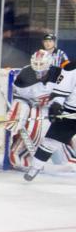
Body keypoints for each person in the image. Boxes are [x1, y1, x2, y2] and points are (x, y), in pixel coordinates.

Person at [3, 49, 62, 170]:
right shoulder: (25, 73)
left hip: (49, 109)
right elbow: (17, 96)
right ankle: (17, 153)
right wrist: (20, 112)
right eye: (36, 64)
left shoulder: (58, 74)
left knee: (44, 135)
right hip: (30, 105)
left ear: (49, 63)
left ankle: (27, 157)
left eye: (42, 64)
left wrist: (59, 106)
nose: (39, 68)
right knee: (31, 123)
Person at [23, 51, 76, 181]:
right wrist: (56, 106)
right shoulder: (71, 68)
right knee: (51, 142)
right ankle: (35, 167)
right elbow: (60, 91)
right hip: (70, 112)